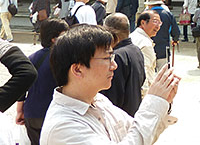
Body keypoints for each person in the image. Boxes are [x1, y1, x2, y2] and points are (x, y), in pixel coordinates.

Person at [40, 24, 180, 145]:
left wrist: (163, 102)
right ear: (78, 69)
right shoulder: (62, 126)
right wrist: (154, 103)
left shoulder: (99, 101)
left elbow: (138, 134)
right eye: (107, 58)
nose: (114, 65)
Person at [16, 19, 68, 145]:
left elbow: (21, 86)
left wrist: (19, 111)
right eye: (65, 35)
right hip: (54, 114)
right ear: (53, 39)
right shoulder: (64, 60)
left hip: (32, 114)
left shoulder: (32, 58)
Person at [101, 13, 146, 116]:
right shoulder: (136, 50)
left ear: (112, 35)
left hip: (119, 115)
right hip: (133, 110)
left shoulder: (116, 56)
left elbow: (112, 92)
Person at [144, 0, 179, 70]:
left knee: (148, 73)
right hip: (163, 49)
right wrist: (175, 39)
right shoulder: (168, 14)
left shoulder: (145, 15)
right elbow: (175, 31)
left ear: (150, 5)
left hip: (147, 48)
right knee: (163, 73)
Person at [130, 10, 161, 97]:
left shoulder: (132, 36)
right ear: (143, 23)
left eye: (159, 23)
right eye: (155, 21)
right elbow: (144, 72)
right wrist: (145, 95)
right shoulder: (145, 44)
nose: (158, 26)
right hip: (140, 93)